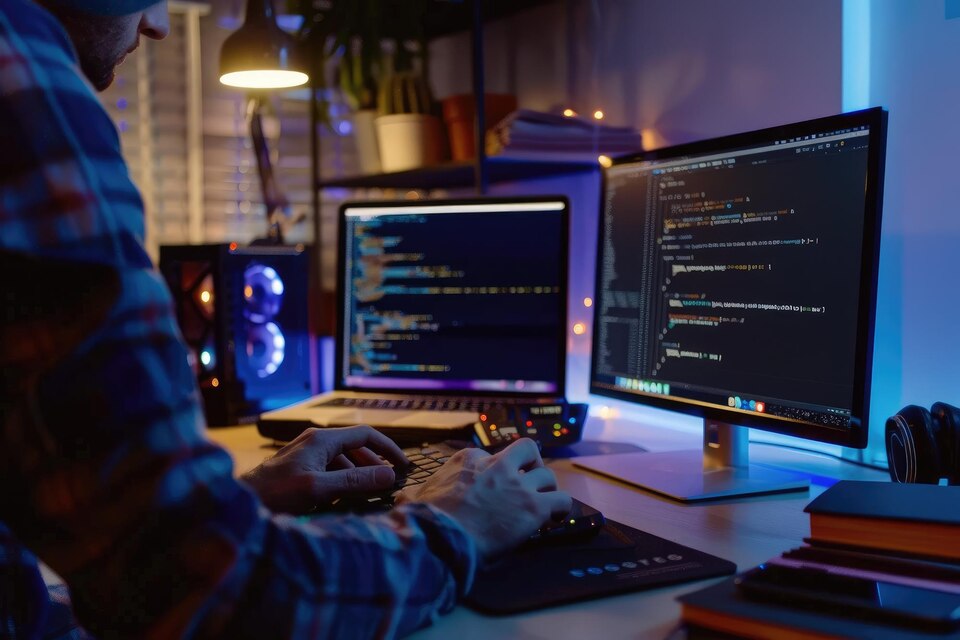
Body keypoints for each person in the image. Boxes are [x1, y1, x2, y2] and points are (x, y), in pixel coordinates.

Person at [0, 1, 572, 638]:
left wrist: (238, 500)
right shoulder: (20, 75)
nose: (158, 23)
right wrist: (457, 529)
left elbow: (107, 566)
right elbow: (210, 593)